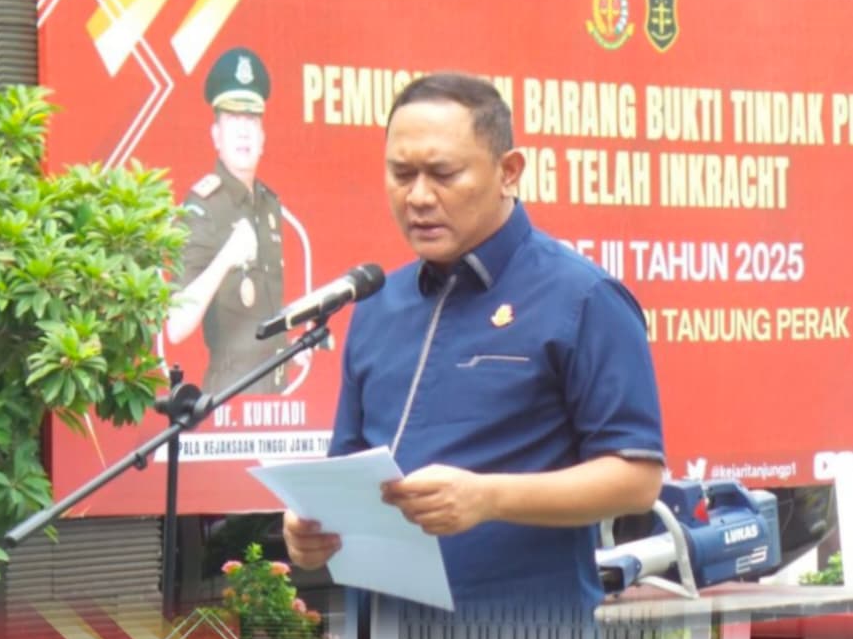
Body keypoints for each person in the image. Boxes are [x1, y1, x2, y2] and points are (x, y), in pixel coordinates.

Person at [284, 71, 664, 608]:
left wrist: (489, 497)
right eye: (401, 174)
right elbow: (346, 473)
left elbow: (637, 479)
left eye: (443, 173)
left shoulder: (582, 298)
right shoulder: (376, 305)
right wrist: (312, 531)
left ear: (509, 172)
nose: (418, 197)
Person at [166, 47, 297, 395]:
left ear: (263, 137)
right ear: (216, 135)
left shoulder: (269, 205)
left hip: (275, 398)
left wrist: (292, 348)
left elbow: (258, 320)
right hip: (229, 397)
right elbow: (176, 327)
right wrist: (226, 258)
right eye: (233, 120)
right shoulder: (202, 207)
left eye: (251, 120)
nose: (243, 132)